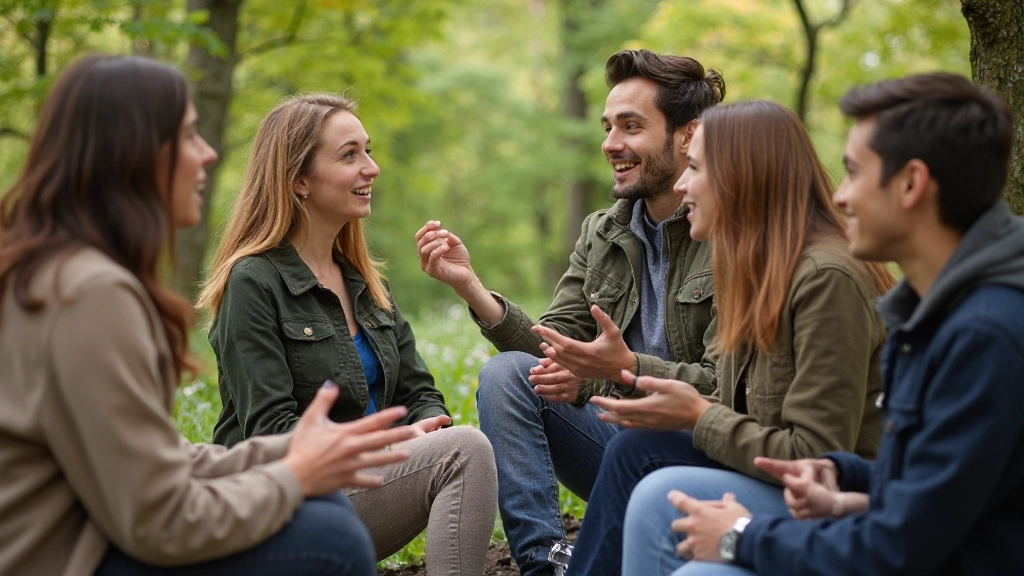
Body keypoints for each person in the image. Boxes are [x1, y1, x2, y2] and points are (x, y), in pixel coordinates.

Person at [0, 54, 417, 576]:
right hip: (68, 556)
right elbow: (157, 519)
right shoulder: (90, 295)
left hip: (96, 529)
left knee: (320, 509)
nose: (209, 154)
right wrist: (293, 476)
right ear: (133, 154)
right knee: (328, 537)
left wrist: (296, 455)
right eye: (189, 137)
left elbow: (159, 460)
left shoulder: (61, 274)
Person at [649, 72, 1024, 576]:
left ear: (912, 183)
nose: (841, 197)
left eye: (854, 172)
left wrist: (744, 535)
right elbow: (935, 503)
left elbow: (901, 550)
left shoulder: (985, 335)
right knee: (654, 491)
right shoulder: (931, 313)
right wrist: (843, 484)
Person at [416, 49, 724, 575]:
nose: (610, 144)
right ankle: (549, 563)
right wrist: (473, 289)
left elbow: (726, 389)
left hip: (703, 459)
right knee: (506, 375)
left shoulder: (732, 237)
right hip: (618, 444)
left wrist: (613, 373)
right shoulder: (603, 231)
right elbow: (555, 350)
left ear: (688, 135)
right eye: (607, 127)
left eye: (631, 126)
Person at [565, 99, 896, 576]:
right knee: (633, 451)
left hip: (830, 508)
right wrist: (672, 400)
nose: (680, 184)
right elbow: (741, 405)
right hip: (769, 474)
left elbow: (817, 460)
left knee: (654, 492)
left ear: (743, 178)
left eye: (694, 168)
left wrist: (698, 415)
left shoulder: (826, 278)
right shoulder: (753, 269)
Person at [199, 93, 498, 576]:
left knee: (458, 444)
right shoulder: (252, 281)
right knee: (466, 451)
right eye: (350, 154)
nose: (372, 168)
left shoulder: (362, 280)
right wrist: (394, 441)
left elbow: (419, 392)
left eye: (369, 150)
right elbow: (271, 432)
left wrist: (427, 426)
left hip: (360, 489)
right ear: (298, 180)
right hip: (280, 506)